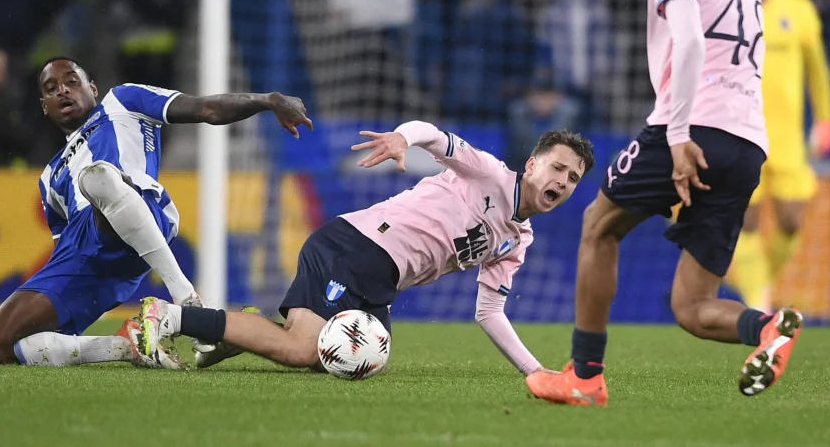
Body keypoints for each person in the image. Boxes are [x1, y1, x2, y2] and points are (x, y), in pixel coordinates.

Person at [527, 0, 799, 407]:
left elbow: (691, 40)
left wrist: (677, 134)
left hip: (694, 126)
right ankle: (768, 327)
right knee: (692, 307)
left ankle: (585, 377)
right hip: (748, 142)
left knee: (599, 226)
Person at [134, 123, 595, 377]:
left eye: (573, 178)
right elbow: (434, 135)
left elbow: (489, 312)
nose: (562, 181)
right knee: (304, 350)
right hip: (355, 247)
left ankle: (240, 328)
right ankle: (170, 317)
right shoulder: (488, 173)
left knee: (352, 360)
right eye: (557, 168)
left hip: (381, 281)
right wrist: (402, 138)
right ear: (532, 164)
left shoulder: (518, 241)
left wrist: (535, 372)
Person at [0, 57, 313, 368]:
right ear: (44, 107)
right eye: (51, 89)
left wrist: (268, 100)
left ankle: (189, 302)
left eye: (71, 82)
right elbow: (65, 249)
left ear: (92, 88)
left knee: (97, 177)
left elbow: (207, 108)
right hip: (87, 256)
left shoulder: (123, 101)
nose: (62, 90)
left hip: (140, 208)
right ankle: (127, 345)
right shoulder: (50, 177)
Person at [727, 0, 830, 311]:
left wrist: (825, 120)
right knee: (748, 221)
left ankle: (760, 283)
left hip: (787, 138)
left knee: (791, 221)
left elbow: (817, 71)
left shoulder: (799, 9)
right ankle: (759, 302)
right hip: (742, 133)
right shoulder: (728, 10)